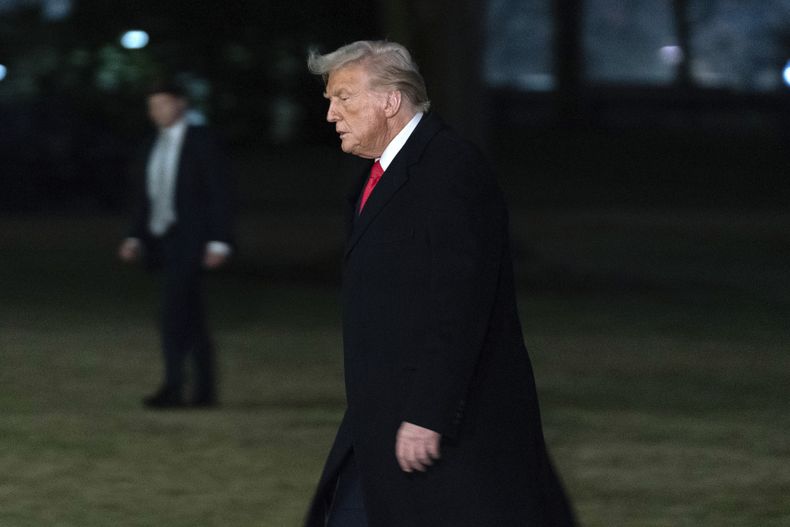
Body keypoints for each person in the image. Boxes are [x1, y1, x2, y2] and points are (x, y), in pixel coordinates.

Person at [303, 41, 576, 527]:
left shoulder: (449, 169)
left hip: (440, 424)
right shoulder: (376, 175)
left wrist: (428, 413)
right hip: (380, 418)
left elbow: (462, 302)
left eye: (343, 97)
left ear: (390, 100)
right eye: (330, 99)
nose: (330, 114)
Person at [117, 82, 233, 409]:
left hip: (191, 240)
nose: (157, 112)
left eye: (163, 104)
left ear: (180, 104)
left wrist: (220, 241)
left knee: (172, 315)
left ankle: (173, 386)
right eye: (152, 106)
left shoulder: (202, 141)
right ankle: (204, 391)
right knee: (191, 317)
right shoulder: (151, 143)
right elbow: (146, 195)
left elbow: (219, 192)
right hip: (162, 240)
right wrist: (135, 236)